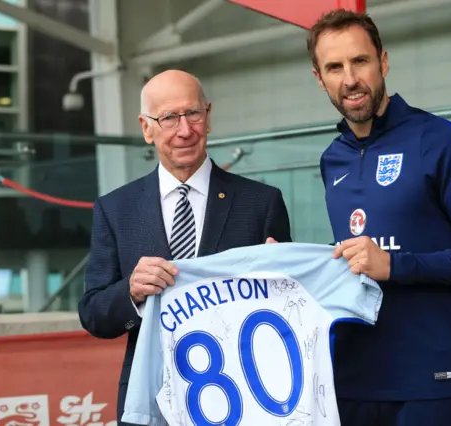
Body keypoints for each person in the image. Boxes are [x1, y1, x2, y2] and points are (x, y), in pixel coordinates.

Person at [305, 9, 451, 426]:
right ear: (319, 78)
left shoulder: (439, 140)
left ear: (383, 62)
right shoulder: (332, 159)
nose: (349, 79)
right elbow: (354, 265)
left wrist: (396, 265)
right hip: (351, 384)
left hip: (429, 386)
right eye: (335, 67)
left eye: (360, 61)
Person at [77, 70, 292, 424]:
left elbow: (289, 309)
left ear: (208, 115)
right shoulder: (116, 209)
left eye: (193, 113)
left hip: (247, 397)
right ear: (146, 128)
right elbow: (93, 313)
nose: (185, 130)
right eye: (168, 118)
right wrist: (131, 292)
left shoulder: (261, 203)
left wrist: (280, 283)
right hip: (151, 401)